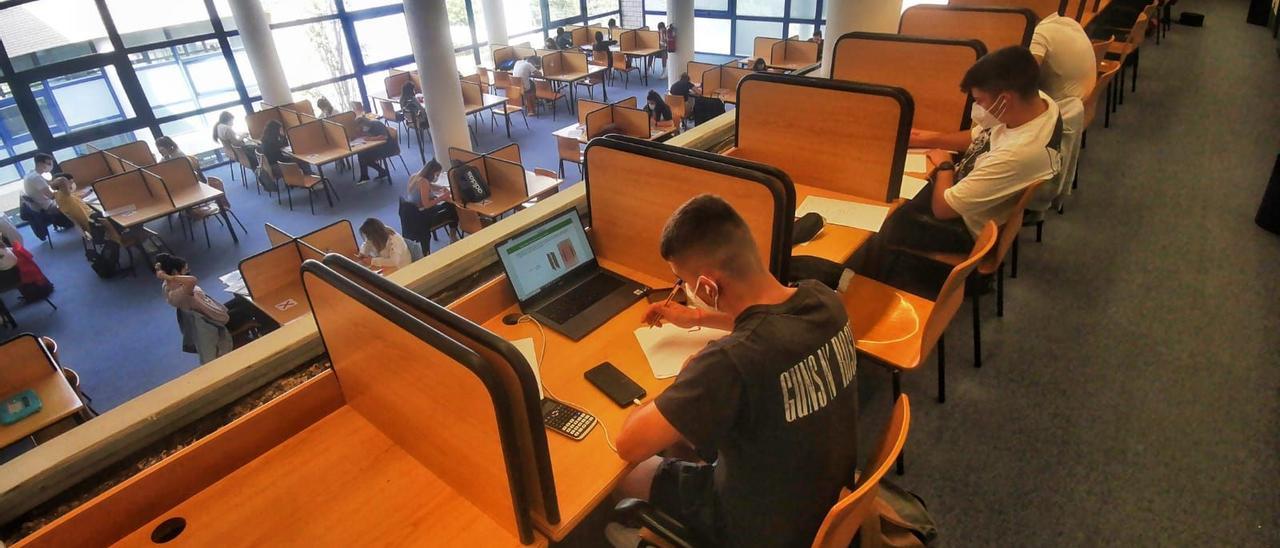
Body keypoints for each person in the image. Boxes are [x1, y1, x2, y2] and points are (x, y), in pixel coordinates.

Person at [612, 194, 859, 547]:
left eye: (682, 282)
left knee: (627, 476)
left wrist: (687, 379)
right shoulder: (824, 299)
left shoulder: (728, 362)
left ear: (708, 287)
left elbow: (629, 445)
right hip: (819, 501)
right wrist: (698, 317)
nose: (683, 292)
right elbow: (769, 321)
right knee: (686, 436)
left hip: (753, 528)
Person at [880, 46, 1063, 257]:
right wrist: (930, 139)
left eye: (979, 100)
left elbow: (943, 209)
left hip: (965, 228)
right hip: (966, 195)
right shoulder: (1036, 103)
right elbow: (978, 137)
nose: (977, 108)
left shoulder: (1019, 154)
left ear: (1005, 100)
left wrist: (945, 165)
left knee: (886, 219)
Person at [154, 253, 232, 364]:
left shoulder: (167, 285)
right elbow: (192, 280)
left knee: (239, 300)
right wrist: (169, 276)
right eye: (185, 270)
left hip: (210, 312)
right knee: (249, 306)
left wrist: (163, 273)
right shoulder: (180, 292)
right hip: (216, 321)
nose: (188, 271)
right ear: (175, 273)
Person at [1030, 9, 1097, 102]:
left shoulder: (1039, 34)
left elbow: (1024, 81)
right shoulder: (1071, 23)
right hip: (1082, 102)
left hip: (1063, 108)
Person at [355, 117, 392, 184]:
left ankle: (366, 177)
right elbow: (367, 136)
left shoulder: (377, 124)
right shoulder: (367, 127)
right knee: (361, 154)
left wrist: (370, 139)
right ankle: (380, 172)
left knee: (363, 157)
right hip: (377, 146)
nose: (362, 129)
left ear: (365, 123)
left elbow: (385, 137)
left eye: (362, 127)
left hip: (387, 147)